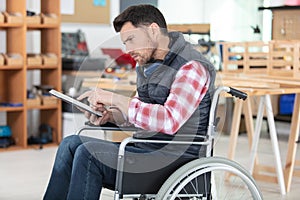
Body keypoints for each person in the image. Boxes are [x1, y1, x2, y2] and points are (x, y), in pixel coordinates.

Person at [43, 4, 216, 200]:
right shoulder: (147, 65)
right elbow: (141, 113)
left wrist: (115, 98)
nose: (127, 50)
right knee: (70, 144)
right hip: (146, 148)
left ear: (153, 30)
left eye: (131, 40)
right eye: (125, 43)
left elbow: (169, 120)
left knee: (88, 154)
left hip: (176, 160)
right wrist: (112, 116)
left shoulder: (191, 66)